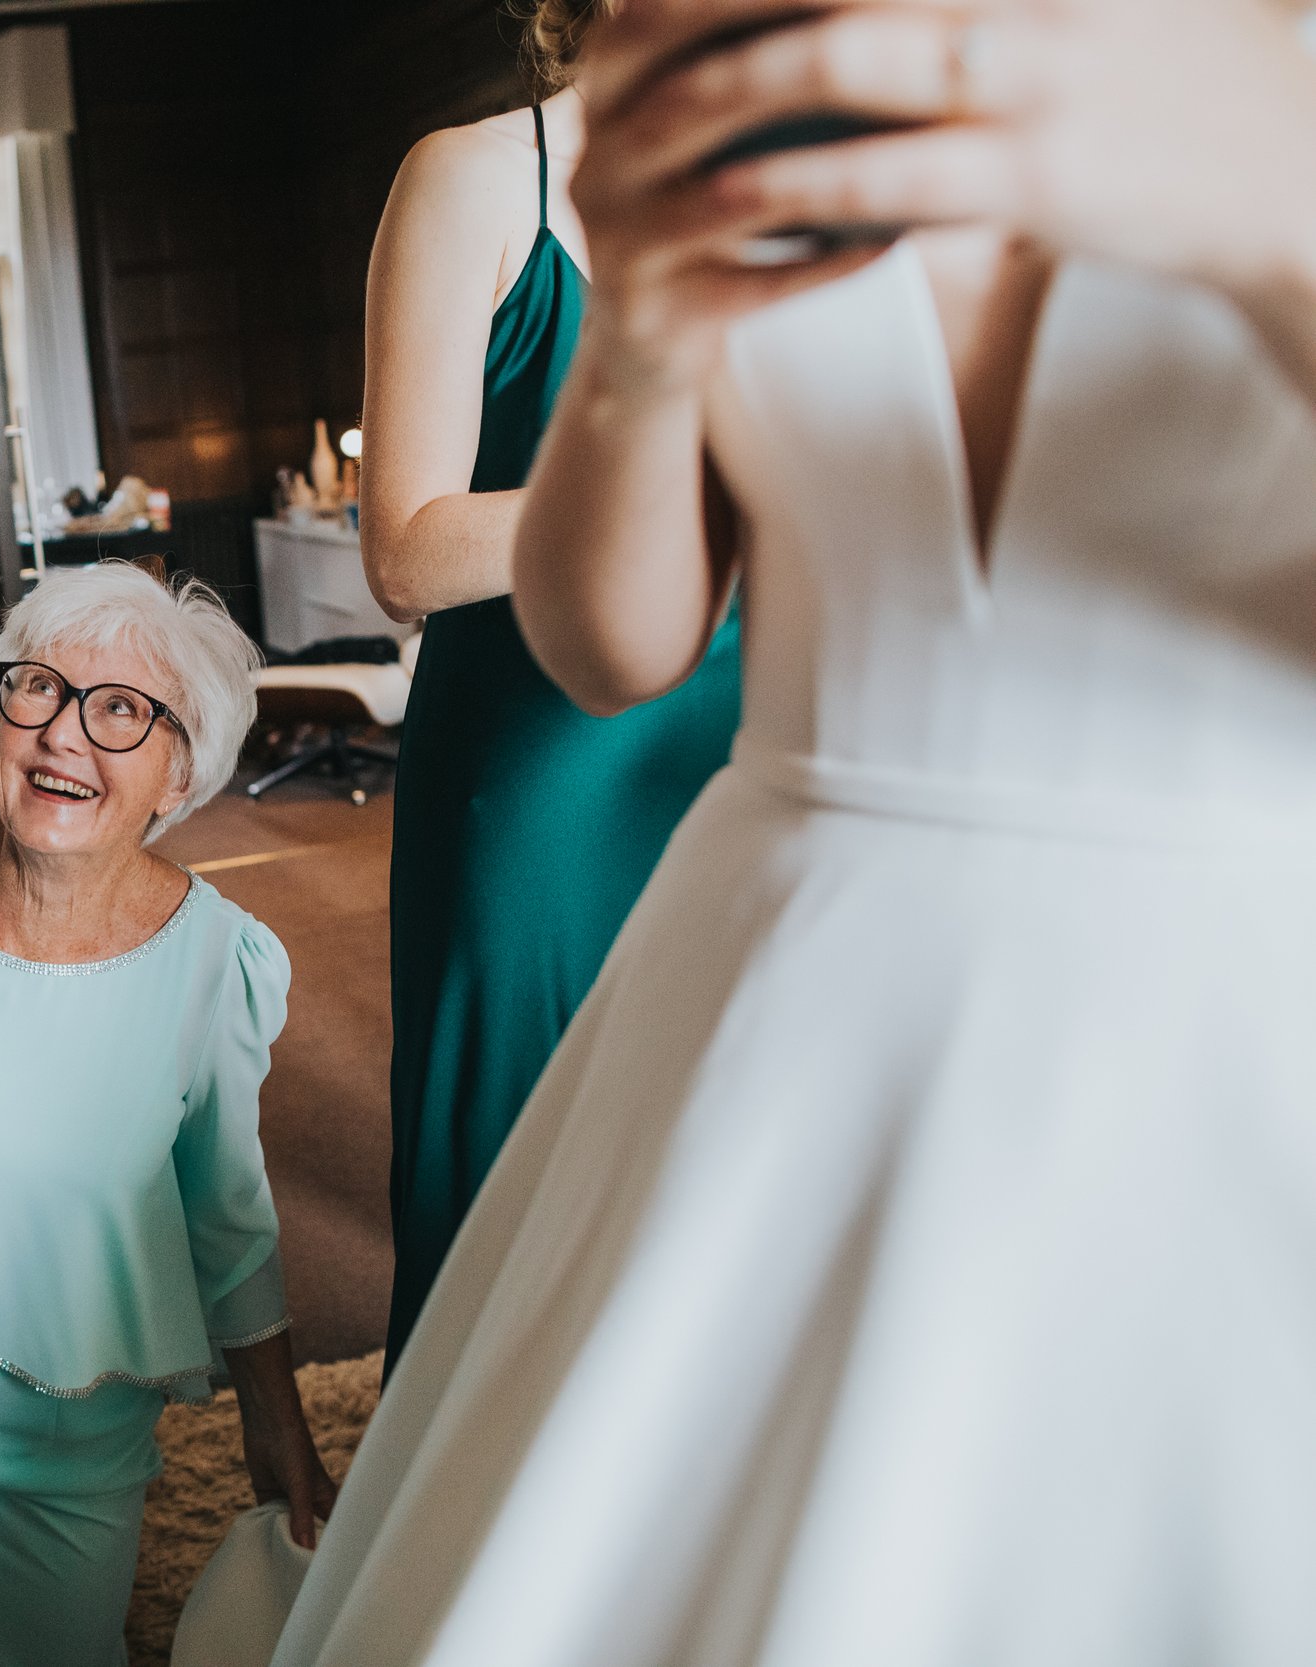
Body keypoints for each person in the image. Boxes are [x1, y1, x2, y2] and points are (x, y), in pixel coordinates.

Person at [273, 0, 1316, 1661]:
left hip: (1187, 977)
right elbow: (620, 628)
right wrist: (650, 331)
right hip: (778, 925)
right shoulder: (766, 80)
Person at [0, 563, 338, 1667]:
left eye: (121, 710)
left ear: (178, 776)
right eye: (36, 688)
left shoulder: (215, 960)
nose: (62, 736)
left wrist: (277, 1424)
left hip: (59, 1462)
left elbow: (228, 1217)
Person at [360, 0, 740, 1365]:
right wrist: (689, 484)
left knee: (718, 1187)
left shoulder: (802, 177)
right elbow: (404, 548)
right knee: (510, 1191)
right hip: (538, 782)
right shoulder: (474, 179)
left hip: (747, 762)